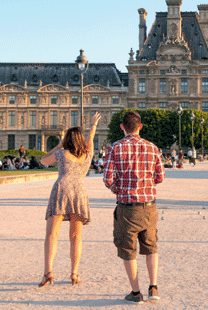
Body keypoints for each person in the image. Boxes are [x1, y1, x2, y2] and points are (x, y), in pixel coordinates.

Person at [103, 111, 165, 303]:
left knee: (128, 250)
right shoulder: (153, 147)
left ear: (122, 127)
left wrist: (118, 189)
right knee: (151, 247)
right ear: (140, 127)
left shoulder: (115, 148)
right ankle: (153, 288)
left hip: (127, 207)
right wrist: (145, 185)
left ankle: (136, 292)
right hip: (149, 206)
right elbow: (160, 177)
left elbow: (107, 179)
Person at [37, 112, 101, 288]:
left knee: (52, 235)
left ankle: (48, 273)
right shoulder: (87, 155)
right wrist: (93, 126)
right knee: (76, 236)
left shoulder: (61, 154)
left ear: (67, 140)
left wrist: (57, 146)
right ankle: (74, 273)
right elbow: (90, 139)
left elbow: (42, 161)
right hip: (79, 191)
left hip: (61, 190)